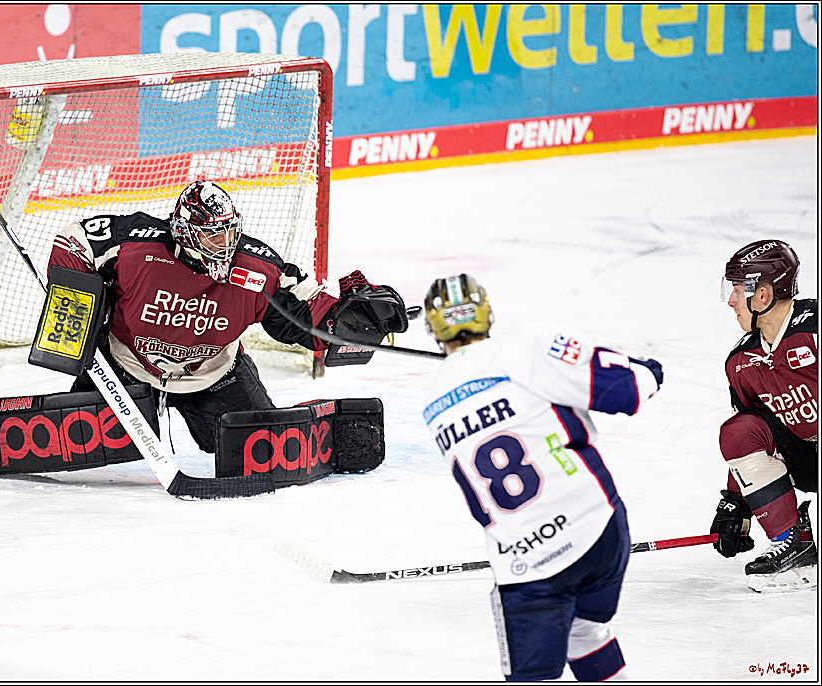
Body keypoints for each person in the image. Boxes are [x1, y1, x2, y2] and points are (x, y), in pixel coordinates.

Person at [421, 274, 663, 681]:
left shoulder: (432, 402)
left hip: (526, 561)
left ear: (433, 329)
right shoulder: (526, 348)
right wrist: (649, 371)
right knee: (585, 632)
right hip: (598, 531)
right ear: (486, 314)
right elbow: (628, 391)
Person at [47, 179, 405, 453]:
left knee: (267, 451)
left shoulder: (257, 266)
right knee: (77, 451)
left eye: (228, 232)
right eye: (212, 236)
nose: (225, 244)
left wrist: (351, 322)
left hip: (214, 376)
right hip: (124, 371)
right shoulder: (135, 245)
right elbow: (71, 242)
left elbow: (301, 313)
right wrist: (82, 310)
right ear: (185, 231)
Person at [710, 239, 818, 593]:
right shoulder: (740, 361)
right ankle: (795, 545)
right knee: (739, 429)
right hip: (807, 458)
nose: (730, 301)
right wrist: (736, 502)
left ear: (763, 295)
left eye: (738, 289)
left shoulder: (815, 331)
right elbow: (748, 438)